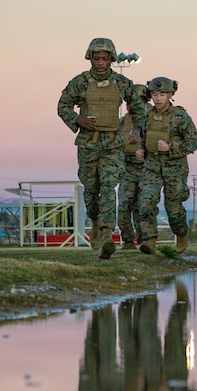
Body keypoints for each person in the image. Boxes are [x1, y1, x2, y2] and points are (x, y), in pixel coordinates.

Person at [57, 37, 147, 260]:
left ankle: (107, 236)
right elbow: (62, 106)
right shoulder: (80, 82)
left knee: (108, 187)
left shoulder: (122, 82)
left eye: (104, 59)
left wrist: (137, 129)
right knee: (91, 191)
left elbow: (137, 106)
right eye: (96, 58)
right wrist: (79, 120)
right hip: (88, 144)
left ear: (111, 60)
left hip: (112, 145)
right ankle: (96, 222)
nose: (100, 62)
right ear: (90, 58)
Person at [135, 77, 197, 254]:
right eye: (154, 94)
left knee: (173, 207)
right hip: (152, 166)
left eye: (162, 94)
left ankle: (181, 233)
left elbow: (193, 143)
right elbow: (145, 137)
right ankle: (149, 240)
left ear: (170, 94)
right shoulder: (147, 115)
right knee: (146, 201)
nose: (158, 98)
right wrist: (141, 150)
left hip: (175, 168)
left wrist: (171, 147)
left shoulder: (180, 117)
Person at [117, 85, 150, 250]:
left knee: (142, 207)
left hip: (147, 168)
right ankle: (128, 241)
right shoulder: (124, 121)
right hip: (127, 167)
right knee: (123, 205)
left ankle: (145, 241)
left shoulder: (153, 118)